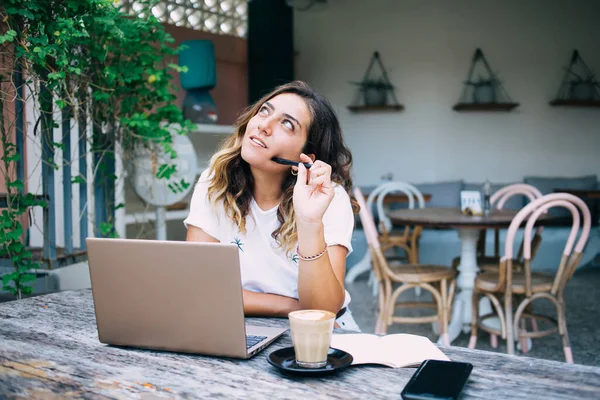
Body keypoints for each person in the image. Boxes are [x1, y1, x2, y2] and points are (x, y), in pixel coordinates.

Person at [184, 80, 360, 331]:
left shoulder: (330, 199)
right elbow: (199, 287)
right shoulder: (214, 182)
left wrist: (310, 222)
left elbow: (322, 311)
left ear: (304, 159)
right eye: (265, 110)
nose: (264, 125)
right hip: (238, 326)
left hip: (322, 333)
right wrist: (288, 306)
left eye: (287, 124)